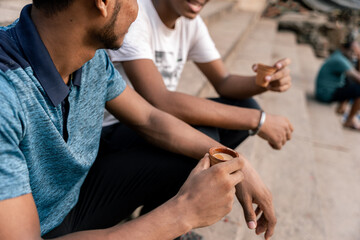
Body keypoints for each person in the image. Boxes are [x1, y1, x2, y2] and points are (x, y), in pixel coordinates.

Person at [0, 1, 276, 240]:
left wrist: (237, 161)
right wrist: (183, 213)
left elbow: (150, 119)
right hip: (41, 227)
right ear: (102, 2)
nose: (138, 8)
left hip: (76, 198)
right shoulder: (6, 95)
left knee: (197, 150)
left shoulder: (90, 55)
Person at [106, 0, 294, 151]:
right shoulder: (135, 15)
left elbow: (223, 81)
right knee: (204, 142)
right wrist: (259, 120)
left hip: (156, 120)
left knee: (245, 106)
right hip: (114, 129)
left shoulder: (191, 25)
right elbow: (160, 100)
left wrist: (265, 81)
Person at [315, 36, 360, 130]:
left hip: (325, 90)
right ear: (344, 48)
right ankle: (349, 121)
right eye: (352, 51)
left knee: (350, 80)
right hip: (325, 94)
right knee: (358, 89)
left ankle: (342, 108)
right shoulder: (340, 60)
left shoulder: (339, 54)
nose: (354, 54)